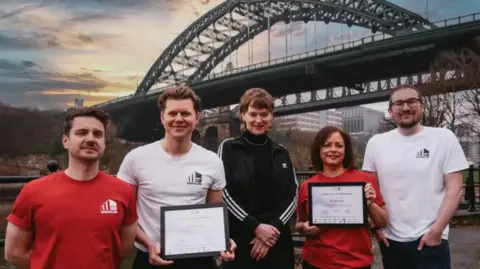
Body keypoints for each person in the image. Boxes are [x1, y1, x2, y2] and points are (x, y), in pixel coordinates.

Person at [116, 86, 236, 269]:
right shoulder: (135, 159)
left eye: (185, 113)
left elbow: (213, 214)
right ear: (162, 117)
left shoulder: (212, 162)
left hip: (197, 260)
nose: (178, 119)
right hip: (150, 257)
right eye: (172, 113)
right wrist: (148, 243)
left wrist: (222, 240)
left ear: (196, 117)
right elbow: (125, 214)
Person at [4, 107, 138, 269]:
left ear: (103, 142)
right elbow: (13, 252)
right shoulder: (33, 191)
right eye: (81, 133)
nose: (91, 139)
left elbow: (124, 247)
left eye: (97, 134)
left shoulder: (123, 191)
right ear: (65, 141)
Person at [362, 84, 469, 269]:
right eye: (399, 103)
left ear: (422, 106)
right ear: (390, 110)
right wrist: (376, 228)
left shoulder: (444, 138)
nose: (405, 107)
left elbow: (455, 189)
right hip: (391, 241)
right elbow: (369, 190)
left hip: (431, 240)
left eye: (412, 101)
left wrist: (437, 231)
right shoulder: (376, 143)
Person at [217, 88, 298, 269]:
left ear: (271, 117)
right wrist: (255, 227)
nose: (258, 120)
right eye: (253, 114)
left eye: (264, 114)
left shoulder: (281, 151)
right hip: (242, 239)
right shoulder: (229, 148)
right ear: (243, 115)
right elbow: (224, 192)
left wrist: (273, 229)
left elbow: (292, 194)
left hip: (277, 240)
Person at [295, 126, 388, 269]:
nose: (333, 149)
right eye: (326, 145)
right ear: (318, 150)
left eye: (339, 145)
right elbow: (299, 224)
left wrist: (370, 204)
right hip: (316, 262)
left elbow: (383, 222)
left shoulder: (364, 180)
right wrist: (305, 227)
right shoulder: (306, 186)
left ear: (346, 150)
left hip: (356, 263)